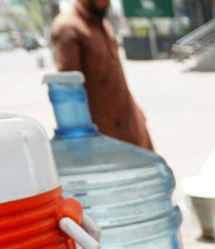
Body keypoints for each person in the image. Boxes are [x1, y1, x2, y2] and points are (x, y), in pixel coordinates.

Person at [51, 0, 155, 150]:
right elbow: (69, 93)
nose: (108, 4)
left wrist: (138, 115)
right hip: (107, 139)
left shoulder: (103, 23)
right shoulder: (67, 28)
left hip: (132, 125)